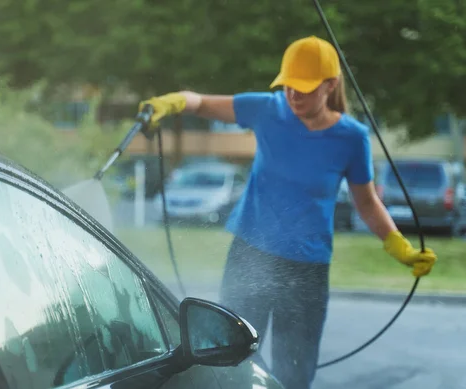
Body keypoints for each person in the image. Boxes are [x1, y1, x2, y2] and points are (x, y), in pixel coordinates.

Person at [138, 35, 437, 389]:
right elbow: (201, 102)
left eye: (305, 89)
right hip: (250, 254)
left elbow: (367, 202)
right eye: (289, 85)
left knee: (294, 371)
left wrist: (398, 246)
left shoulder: (352, 138)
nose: (294, 95)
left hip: (306, 271)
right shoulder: (268, 109)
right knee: (227, 357)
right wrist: (171, 103)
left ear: (330, 85)